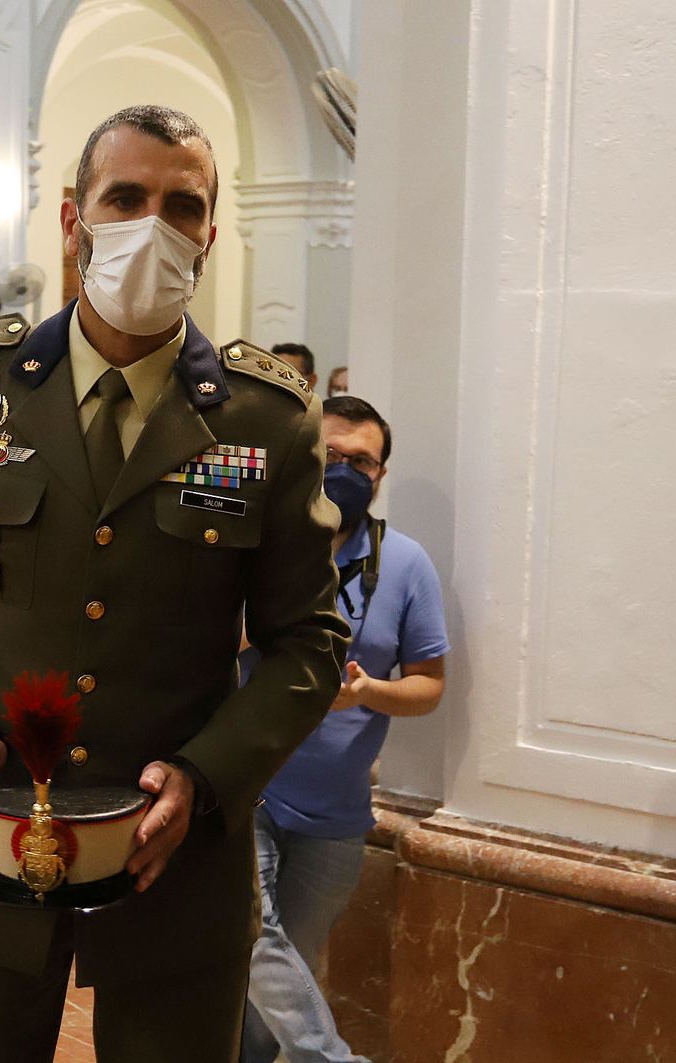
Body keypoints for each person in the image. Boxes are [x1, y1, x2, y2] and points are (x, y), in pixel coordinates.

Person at [0, 104, 349, 1062]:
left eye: (183, 205)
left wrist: (209, 775)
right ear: (72, 219)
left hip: (175, 862)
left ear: (210, 234)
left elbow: (310, 641)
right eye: (125, 197)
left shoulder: (267, 418)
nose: (153, 225)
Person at [241, 396, 448, 1063]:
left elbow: (428, 685)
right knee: (254, 938)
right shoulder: (255, 543)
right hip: (249, 791)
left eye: (362, 460)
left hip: (335, 814)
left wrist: (369, 691)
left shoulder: (407, 563)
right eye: (330, 454)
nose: (345, 469)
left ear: (380, 474)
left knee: (274, 985)